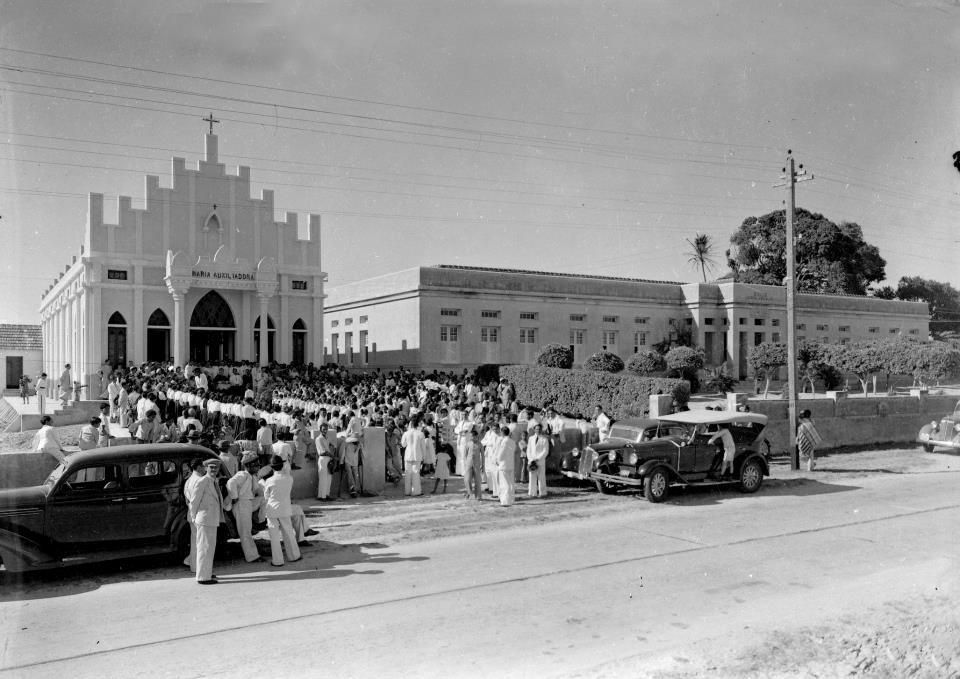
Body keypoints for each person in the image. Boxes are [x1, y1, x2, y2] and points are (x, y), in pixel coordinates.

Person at [261, 455, 301, 567]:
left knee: (274, 536)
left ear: (272, 468)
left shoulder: (269, 480)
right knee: (288, 532)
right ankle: (294, 556)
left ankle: (277, 561)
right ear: (282, 465)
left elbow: (266, 496)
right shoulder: (289, 478)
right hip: (285, 509)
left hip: (272, 510)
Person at [189, 458, 225, 584]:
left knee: (209, 548)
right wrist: (194, 518)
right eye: (211, 467)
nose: (214, 470)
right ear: (206, 468)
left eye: (216, 468)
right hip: (204, 519)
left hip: (211, 519)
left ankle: (206, 572)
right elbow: (193, 502)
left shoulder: (213, 481)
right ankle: (203, 577)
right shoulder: (202, 481)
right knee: (204, 548)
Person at [226, 452, 263, 564]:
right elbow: (230, 482)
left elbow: (257, 490)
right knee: (245, 531)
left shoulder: (252, 477)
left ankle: (261, 521)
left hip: (248, 504)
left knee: (264, 500)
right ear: (249, 466)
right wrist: (234, 497)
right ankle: (252, 556)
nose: (257, 467)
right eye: (255, 465)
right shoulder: (242, 474)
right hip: (241, 504)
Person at [182, 458, 206, 573]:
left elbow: (187, 500)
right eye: (203, 466)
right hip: (199, 515)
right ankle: (199, 568)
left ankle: (193, 565)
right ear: (198, 467)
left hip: (191, 513)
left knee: (195, 542)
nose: (204, 468)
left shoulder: (188, 480)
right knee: (201, 544)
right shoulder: (200, 480)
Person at [400, 418, 425, 497]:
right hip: (417, 455)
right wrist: (423, 457)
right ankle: (416, 491)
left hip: (408, 455)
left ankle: (407, 491)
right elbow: (423, 447)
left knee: (407, 473)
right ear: (417, 424)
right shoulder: (421, 434)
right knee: (416, 473)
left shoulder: (406, 433)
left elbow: (403, 444)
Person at [526, 422, 550, 498]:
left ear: (541, 429)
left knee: (541, 477)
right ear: (534, 430)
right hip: (531, 461)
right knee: (532, 477)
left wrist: (537, 458)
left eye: (539, 429)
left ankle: (542, 493)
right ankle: (532, 493)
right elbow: (528, 450)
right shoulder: (531, 438)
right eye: (536, 429)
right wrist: (531, 459)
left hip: (540, 461)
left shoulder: (544, 439)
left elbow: (545, 451)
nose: (538, 430)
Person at [495, 426, 516, 506]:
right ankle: (511, 499)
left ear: (502, 432)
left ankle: (506, 500)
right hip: (510, 464)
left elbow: (501, 452)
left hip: (504, 464)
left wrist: (497, 460)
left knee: (504, 483)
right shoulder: (512, 441)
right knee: (510, 483)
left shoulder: (504, 441)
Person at [315, 425, 335, 500]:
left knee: (329, 478)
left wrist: (332, 446)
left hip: (328, 458)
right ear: (320, 430)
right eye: (323, 429)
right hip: (323, 459)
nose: (325, 430)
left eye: (326, 429)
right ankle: (321, 496)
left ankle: (327, 495)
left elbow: (329, 446)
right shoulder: (318, 439)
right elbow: (322, 452)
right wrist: (333, 456)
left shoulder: (327, 438)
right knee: (323, 478)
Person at [463, 428, 482, 500]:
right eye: (471, 436)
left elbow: (483, 456)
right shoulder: (468, 444)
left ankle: (478, 495)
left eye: (473, 436)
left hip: (477, 464)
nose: (472, 438)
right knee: (467, 479)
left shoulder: (480, 444)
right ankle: (469, 492)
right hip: (469, 463)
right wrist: (465, 463)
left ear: (476, 436)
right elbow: (465, 455)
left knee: (477, 480)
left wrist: (483, 465)